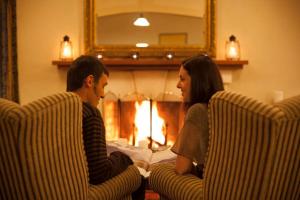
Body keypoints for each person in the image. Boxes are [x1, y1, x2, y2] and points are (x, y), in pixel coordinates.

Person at [66, 55, 145, 199]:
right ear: (90, 81)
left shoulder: (59, 110)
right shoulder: (90, 114)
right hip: (84, 192)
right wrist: (122, 157)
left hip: (63, 186)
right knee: (137, 175)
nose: (102, 95)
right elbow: (99, 173)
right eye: (103, 86)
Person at [171, 55, 224, 178]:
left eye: (182, 79)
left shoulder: (198, 110)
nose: (177, 85)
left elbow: (181, 168)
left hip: (207, 182)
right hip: (222, 181)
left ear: (198, 82)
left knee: (159, 171)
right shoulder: (218, 107)